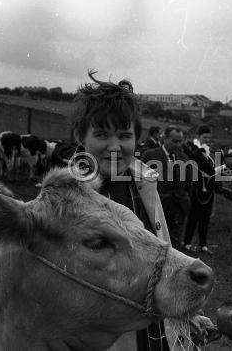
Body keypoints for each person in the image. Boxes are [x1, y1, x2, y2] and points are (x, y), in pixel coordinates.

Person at [71, 74, 215, 351]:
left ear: (136, 138)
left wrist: (186, 311)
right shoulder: (66, 199)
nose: (115, 146)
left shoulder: (144, 181)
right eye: (101, 134)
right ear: (80, 137)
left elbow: (162, 246)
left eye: (124, 135)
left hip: (151, 325)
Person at [141, 125, 192, 248]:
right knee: (156, 241)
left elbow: (189, 183)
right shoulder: (150, 155)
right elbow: (141, 181)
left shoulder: (185, 159)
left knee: (175, 243)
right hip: (158, 206)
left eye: (181, 141)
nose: (178, 144)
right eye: (175, 141)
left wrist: (184, 198)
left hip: (179, 206)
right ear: (165, 139)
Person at [183, 125, 216, 253]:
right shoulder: (193, 149)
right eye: (205, 137)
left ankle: (203, 244)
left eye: (209, 137)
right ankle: (187, 243)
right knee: (193, 216)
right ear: (199, 136)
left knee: (205, 218)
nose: (207, 139)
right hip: (196, 188)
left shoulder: (208, 151)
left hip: (208, 189)